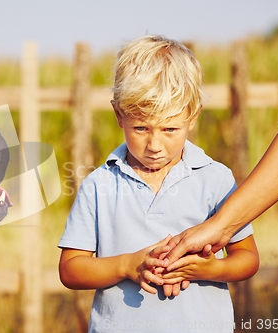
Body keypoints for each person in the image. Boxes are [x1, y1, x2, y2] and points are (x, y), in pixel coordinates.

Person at [58, 35, 259, 333]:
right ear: (118, 115)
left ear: (193, 116)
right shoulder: (97, 185)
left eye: (170, 129)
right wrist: (126, 266)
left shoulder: (215, 178)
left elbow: (248, 258)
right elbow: (70, 269)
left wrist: (211, 268)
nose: (155, 144)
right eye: (141, 128)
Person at [165, 66, 278, 267]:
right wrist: (220, 226)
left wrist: (215, 265)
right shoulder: (106, 181)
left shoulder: (215, 177)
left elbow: (247, 258)